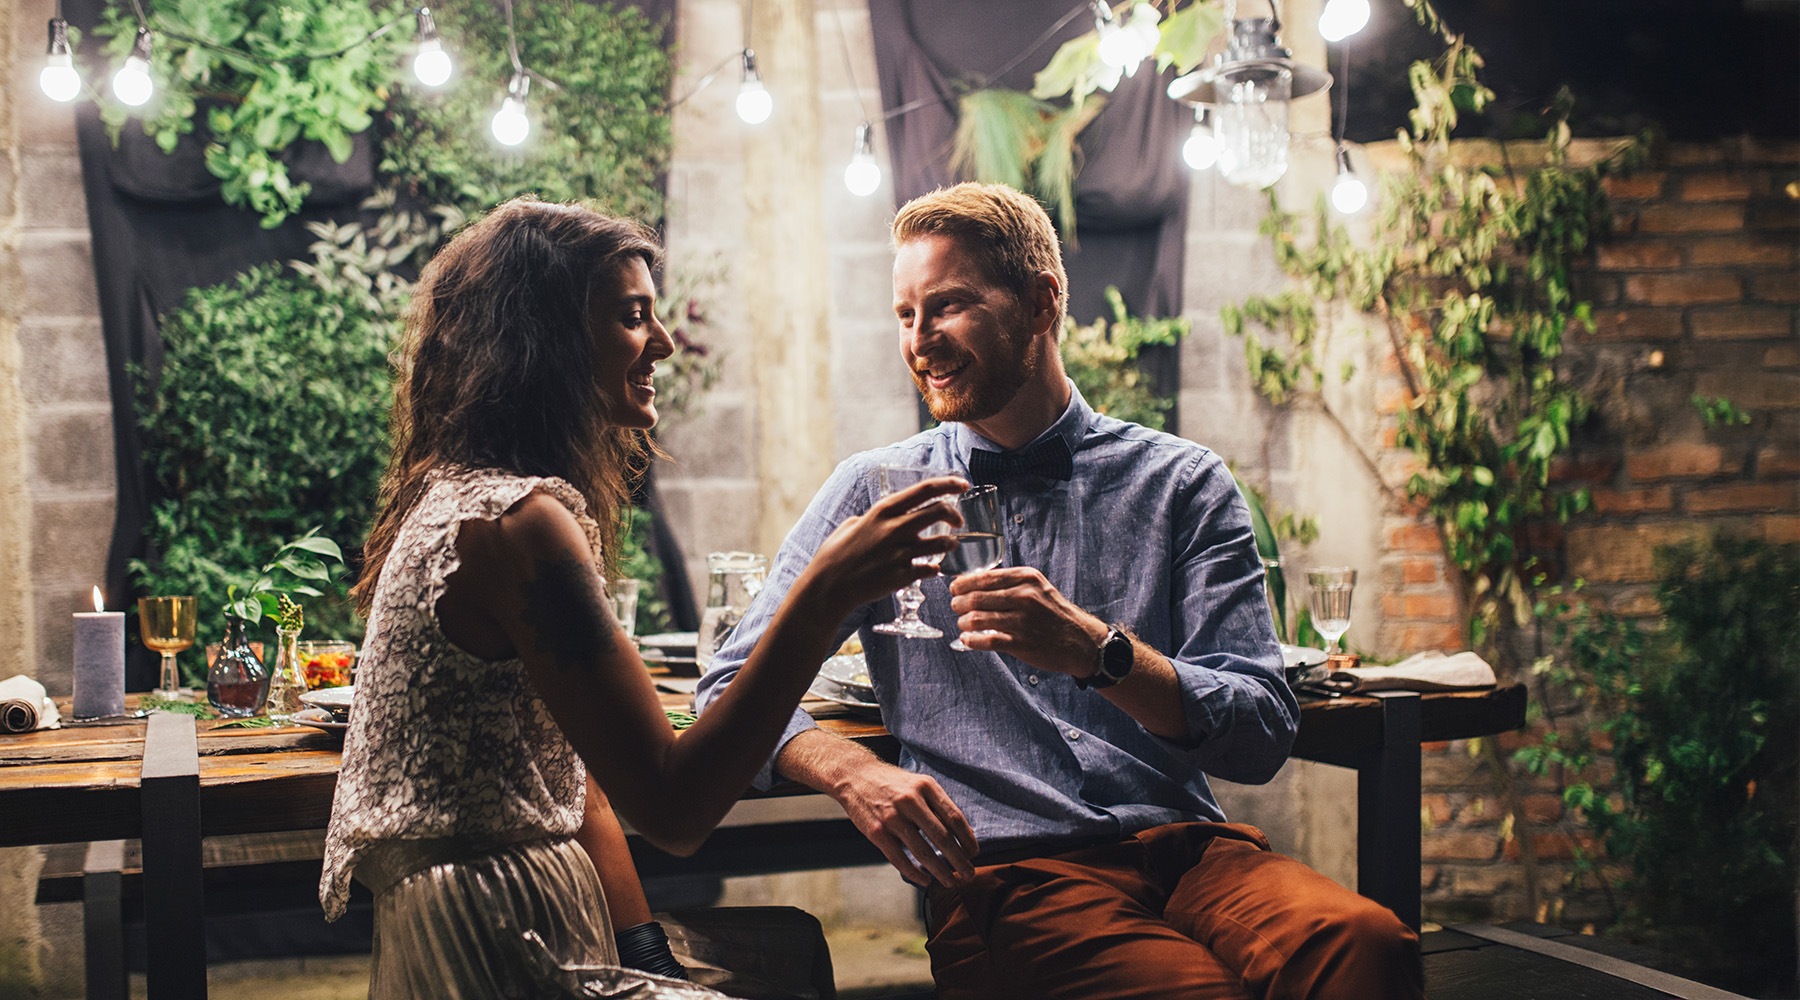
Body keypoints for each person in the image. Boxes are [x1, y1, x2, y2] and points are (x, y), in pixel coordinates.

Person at [696, 182, 1423, 999]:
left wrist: (1097, 653)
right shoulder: (875, 490)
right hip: (1012, 875)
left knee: (1370, 944)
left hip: (1193, 851)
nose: (920, 341)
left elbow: (1260, 731)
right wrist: (848, 771)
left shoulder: (1183, 483)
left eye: (949, 306)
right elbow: (727, 683)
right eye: (906, 314)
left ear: (1043, 303)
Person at [319, 197, 964, 997]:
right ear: (547, 343)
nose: (662, 341)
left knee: (788, 950)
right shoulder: (520, 526)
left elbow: (578, 774)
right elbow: (676, 808)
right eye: (633, 316)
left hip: (496, 909)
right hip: (502, 936)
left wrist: (644, 947)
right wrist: (824, 594)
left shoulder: (464, 496)